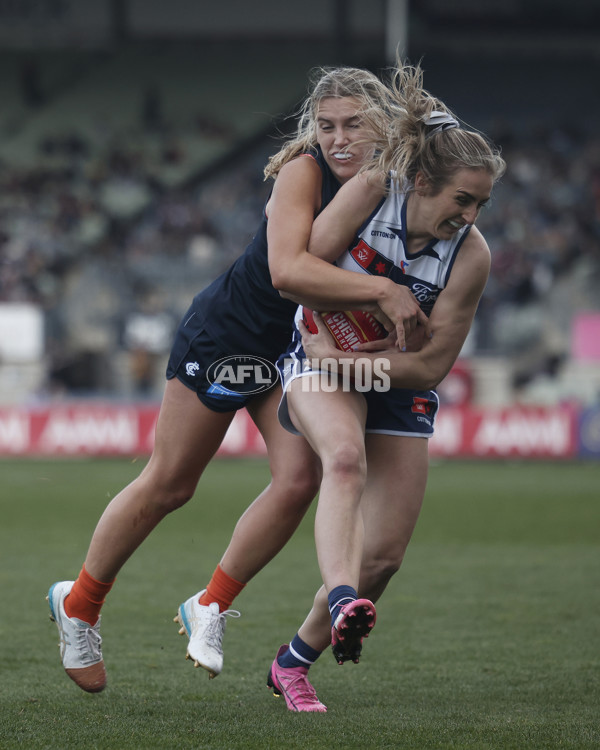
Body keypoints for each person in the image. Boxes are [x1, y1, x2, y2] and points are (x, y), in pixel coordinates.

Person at [46, 64, 423, 694]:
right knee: (170, 484)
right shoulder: (306, 171)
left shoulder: (395, 184)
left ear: (383, 124)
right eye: (326, 125)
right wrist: (383, 291)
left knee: (302, 478)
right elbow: (286, 272)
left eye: (354, 125)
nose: (338, 140)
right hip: (231, 337)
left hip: (294, 349)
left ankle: (211, 603)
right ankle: (79, 604)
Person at [260, 62, 506, 712]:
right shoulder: (374, 187)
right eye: (462, 199)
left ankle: (292, 662)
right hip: (318, 352)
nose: (470, 215)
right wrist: (379, 295)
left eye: (481, 204)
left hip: (382, 377)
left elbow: (429, 368)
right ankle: (343, 597)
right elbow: (301, 268)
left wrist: (355, 368)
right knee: (343, 457)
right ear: (422, 181)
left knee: (386, 558)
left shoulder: (471, 255)